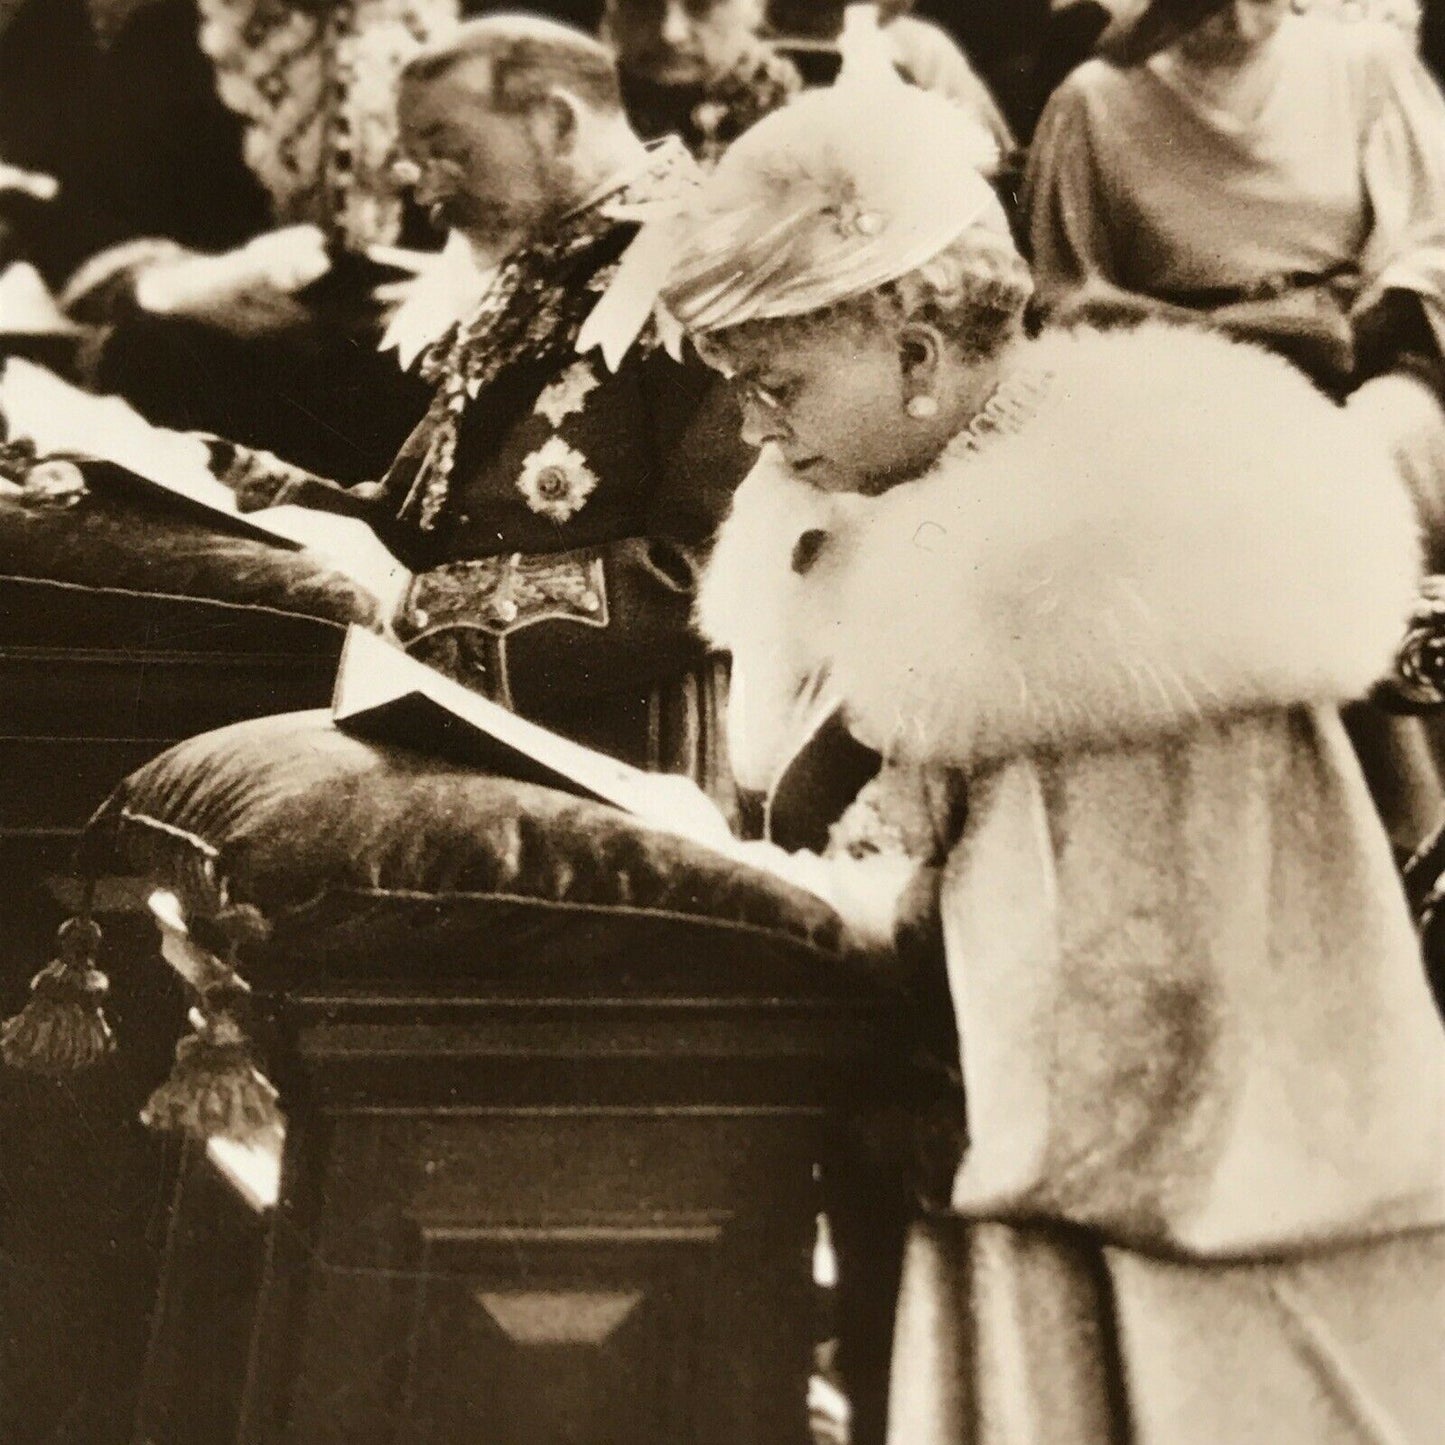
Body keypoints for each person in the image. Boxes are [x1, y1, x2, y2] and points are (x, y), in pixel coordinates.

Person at [653, 55, 1445, 1445]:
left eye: (776, 383)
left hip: (1186, 1222)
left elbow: (1127, 993)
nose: (752, 428)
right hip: (1035, 1152)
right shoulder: (934, 488)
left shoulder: (1113, 564)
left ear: (917, 353)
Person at [242, 15, 755, 784]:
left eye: (447, 147)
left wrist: (416, 612)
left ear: (555, 121)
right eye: (413, 158)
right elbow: (416, 520)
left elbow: (705, 567)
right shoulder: (536, 261)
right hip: (468, 722)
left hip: (618, 742)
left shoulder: (702, 265)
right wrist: (239, 489)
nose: (422, 182)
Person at [1024, 0, 1445, 858]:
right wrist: (1230, 337)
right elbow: (1062, 296)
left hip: (1366, 369)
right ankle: (1305, 837)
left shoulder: (1362, 64)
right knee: (1214, 504)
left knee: (1359, 456)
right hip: (1189, 389)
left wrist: (1360, 322)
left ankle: (1411, 812)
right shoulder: (1096, 100)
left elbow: (1435, 236)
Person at [39, 0, 492, 481]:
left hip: (440, 373)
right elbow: (88, 216)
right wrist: (187, 286)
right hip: (230, 367)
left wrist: (476, 288)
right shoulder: (178, 24)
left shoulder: (503, 22)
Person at [601, 0, 803, 161]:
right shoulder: (586, 112)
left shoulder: (805, 118)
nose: (671, 33)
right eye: (643, 3)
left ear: (756, 7)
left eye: (701, 4)